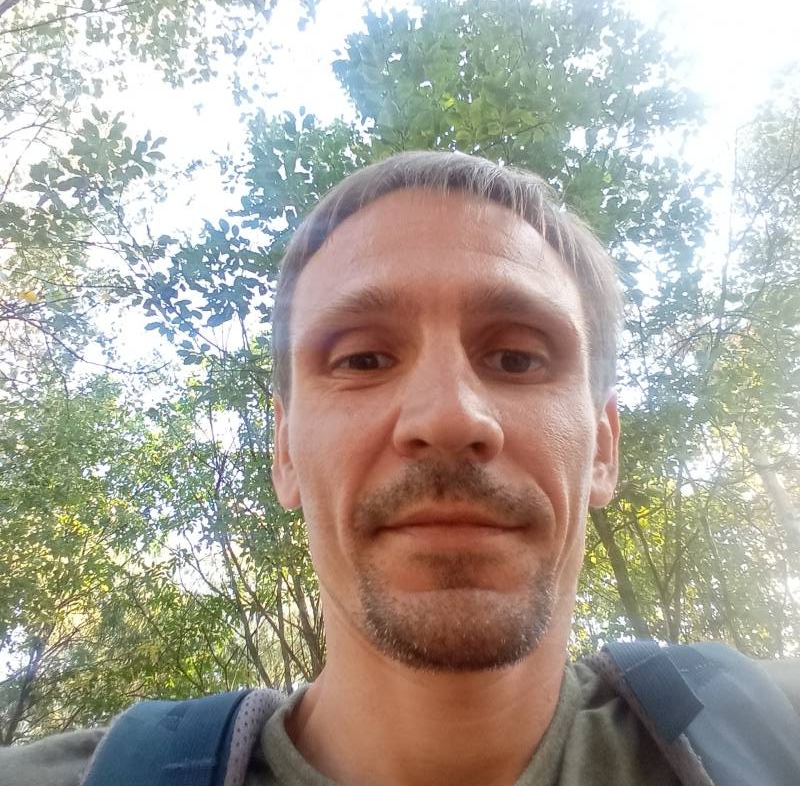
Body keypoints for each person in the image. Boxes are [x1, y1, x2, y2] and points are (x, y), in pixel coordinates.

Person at [2, 151, 798, 786]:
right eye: (364, 358)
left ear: (603, 448)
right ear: (285, 452)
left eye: (518, 358)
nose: (448, 416)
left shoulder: (772, 734)